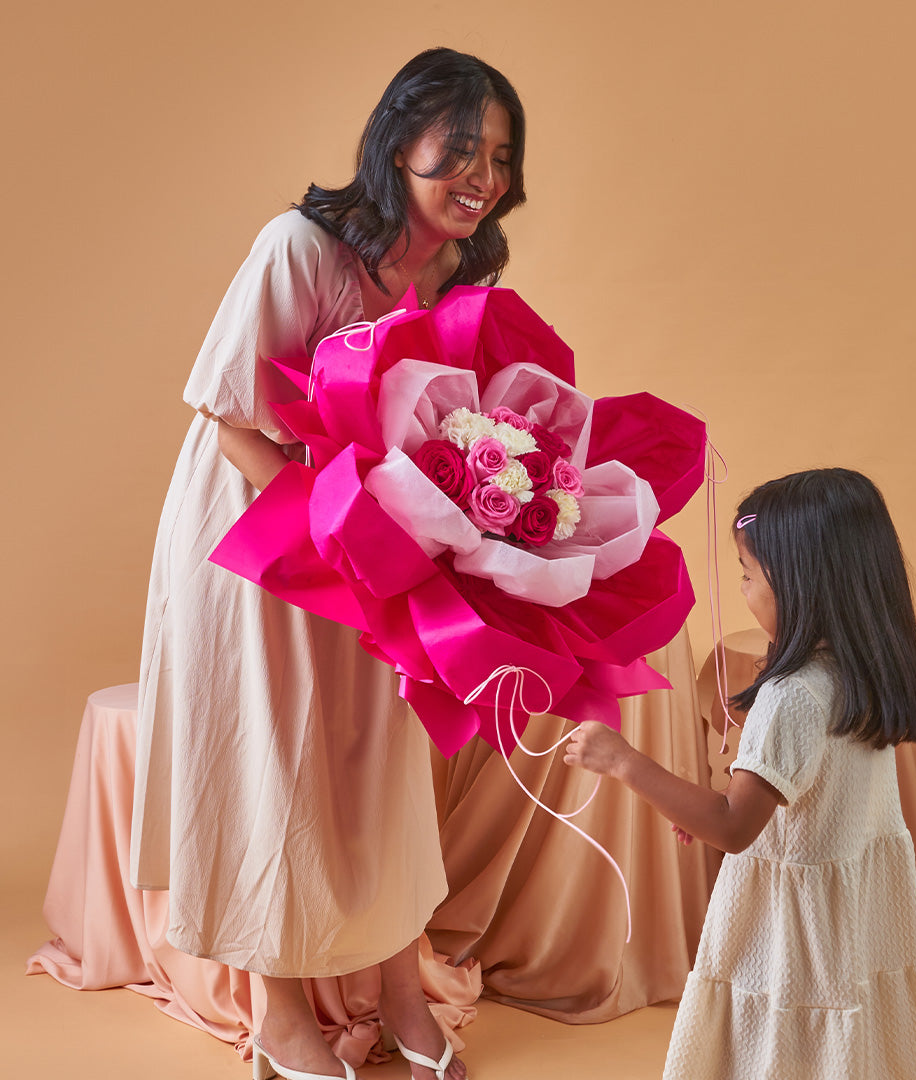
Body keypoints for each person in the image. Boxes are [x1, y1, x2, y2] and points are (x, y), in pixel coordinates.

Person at [129, 47, 525, 1080]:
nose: (481, 176)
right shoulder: (298, 247)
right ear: (399, 145)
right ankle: (278, 1008)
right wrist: (326, 538)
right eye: (461, 150)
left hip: (377, 542)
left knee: (379, 757)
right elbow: (229, 420)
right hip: (260, 528)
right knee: (270, 756)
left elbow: (453, 422)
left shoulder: (462, 272)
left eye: (500, 156)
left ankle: (400, 988)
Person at [564, 468, 916, 1079]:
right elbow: (793, 794)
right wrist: (705, 807)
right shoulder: (863, 670)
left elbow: (732, 827)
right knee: (842, 1032)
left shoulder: (792, 695)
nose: (743, 589)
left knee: (784, 1039)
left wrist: (622, 759)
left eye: (749, 576)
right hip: (857, 917)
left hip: (793, 928)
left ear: (797, 585)